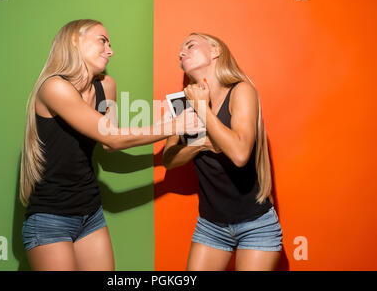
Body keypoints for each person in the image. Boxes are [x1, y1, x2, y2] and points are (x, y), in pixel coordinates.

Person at [19, 19, 202, 271]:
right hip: (50, 218)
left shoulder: (106, 85)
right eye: (102, 41)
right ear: (75, 41)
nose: (110, 50)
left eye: (110, 44)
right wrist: (173, 126)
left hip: (90, 213)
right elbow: (111, 136)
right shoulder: (54, 87)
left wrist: (166, 122)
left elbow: (110, 145)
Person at [162, 32, 283, 271]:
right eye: (180, 52)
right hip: (211, 225)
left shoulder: (241, 90)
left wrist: (201, 110)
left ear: (215, 51)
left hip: (256, 224)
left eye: (190, 45)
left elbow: (239, 155)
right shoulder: (181, 102)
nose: (181, 53)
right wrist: (204, 143)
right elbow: (169, 159)